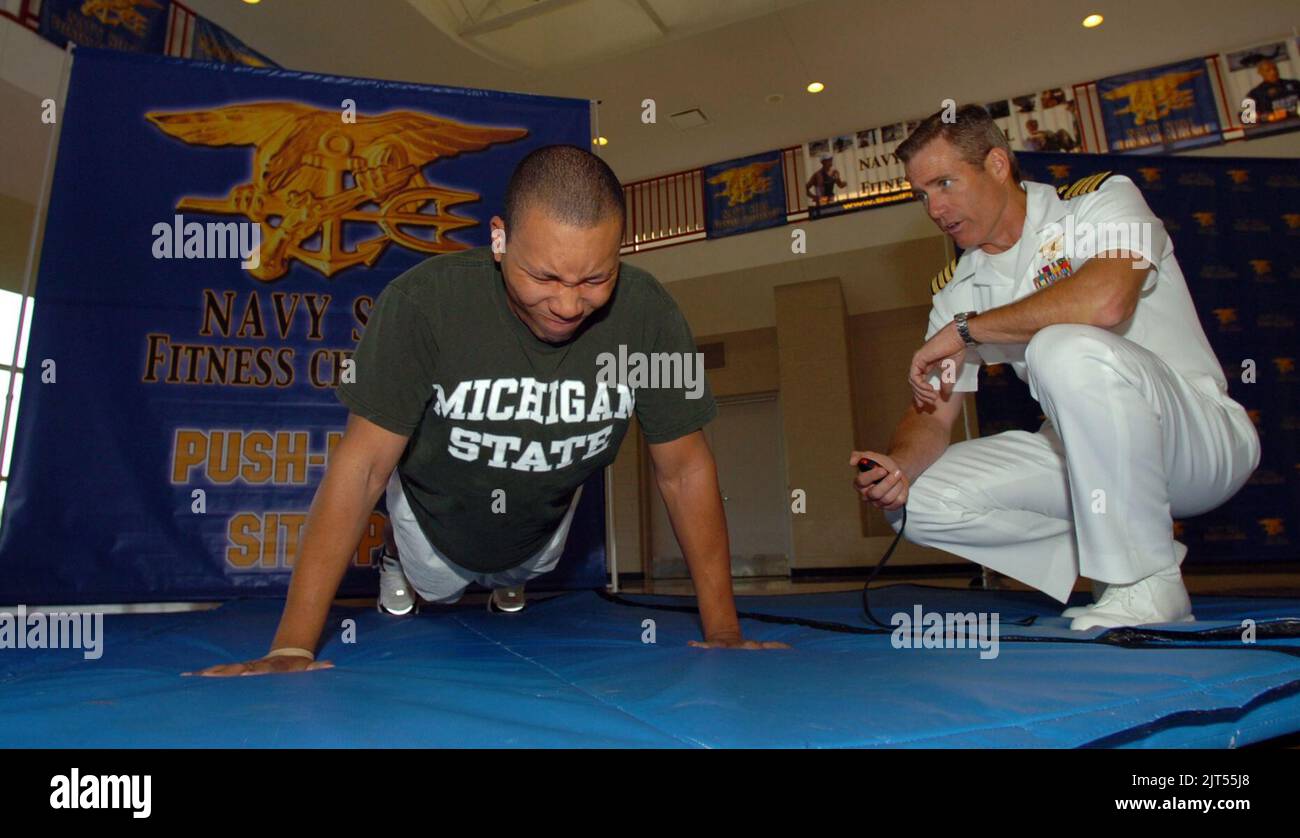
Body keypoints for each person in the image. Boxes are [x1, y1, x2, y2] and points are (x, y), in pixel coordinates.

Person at [193, 145, 786, 676]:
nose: (569, 304)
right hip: (432, 529)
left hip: (542, 531)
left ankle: (508, 575)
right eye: (545, 275)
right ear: (499, 239)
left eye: (595, 278)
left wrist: (724, 632)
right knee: (440, 587)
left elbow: (683, 470)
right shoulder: (423, 304)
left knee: (518, 573)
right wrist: (293, 646)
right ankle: (397, 558)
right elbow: (363, 468)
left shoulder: (648, 315)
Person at [849, 105, 1259, 631]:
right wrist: (900, 467)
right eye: (922, 194)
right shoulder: (956, 290)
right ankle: (1131, 554)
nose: (935, 207)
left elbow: (1108, 301)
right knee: (915, 503)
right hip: (1082, 459)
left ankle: (1145, 581)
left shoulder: (1097, 202)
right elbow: (932, 412)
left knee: (1059, 345)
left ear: (997, 164)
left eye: (945, 183)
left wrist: (971, 328)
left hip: (1197, 439)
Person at [1244, 57, 1300, 123]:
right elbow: (1250, 117)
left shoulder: (1294, 84)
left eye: (1275, 69)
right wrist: (1269, 117)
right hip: (1274, 128)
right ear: (1260, 72)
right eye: (1268, 70)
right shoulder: (1255, 94)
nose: (1273, 72)